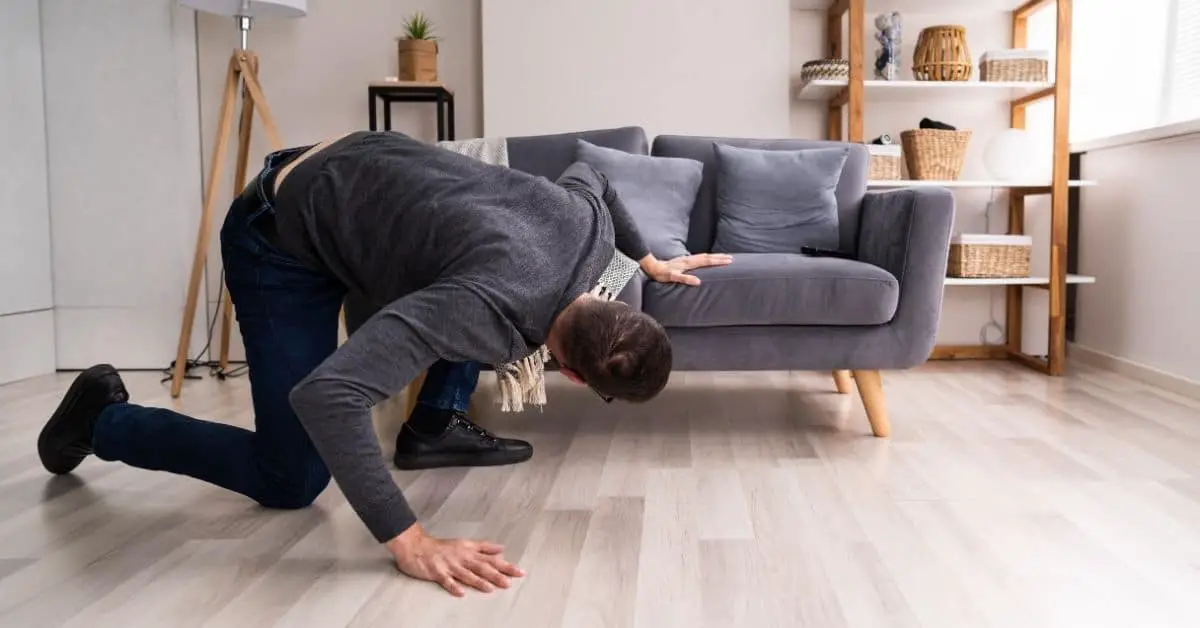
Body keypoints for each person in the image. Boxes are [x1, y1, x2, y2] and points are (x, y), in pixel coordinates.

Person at [36, 130, 731, 597]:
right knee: (292, 478)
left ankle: (431, 426)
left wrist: (647, 258)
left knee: (474, 322)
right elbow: (329, 396)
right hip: (281, 237)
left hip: (358, 174)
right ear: (574, 377)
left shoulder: (590, 228)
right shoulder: (483, 306)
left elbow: (598, 177)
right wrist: (410, 541)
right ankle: (104, 418)